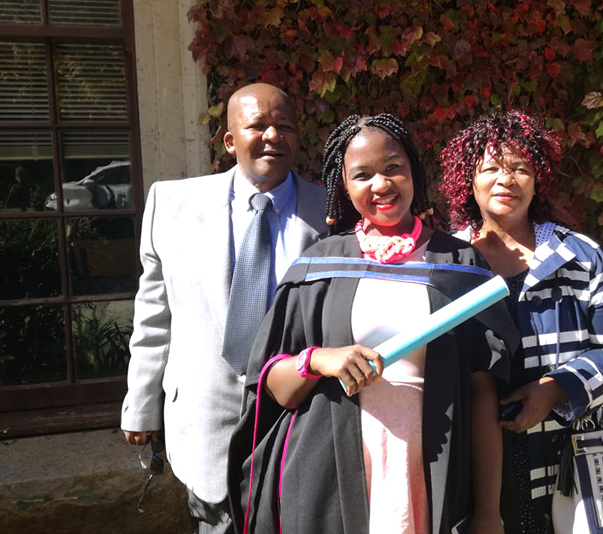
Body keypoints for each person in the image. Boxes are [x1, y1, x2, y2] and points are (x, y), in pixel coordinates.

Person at [228, 114, 519, 534]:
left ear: (413, 172)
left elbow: (482, 393)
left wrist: (489, 511)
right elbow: (271, 384)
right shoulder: (320, 265)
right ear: (343, 186)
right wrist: (318, 360)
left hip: (431, 466)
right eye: (362, 175)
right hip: (331, 472)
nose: (380, 184)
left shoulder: (459, 264)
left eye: (392, 168)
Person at [120, 83, 327, 534]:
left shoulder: (333, 210)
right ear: (230, 139)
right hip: (204, 420)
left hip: (301, 419)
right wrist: (141, 405)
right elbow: (155, 313)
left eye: (284, 126)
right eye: (257, 125)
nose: (272, 136)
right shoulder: (171, 205)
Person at [439, 110, 603, 534]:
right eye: (491, 167)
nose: (506, 179)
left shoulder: (580, 257)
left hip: (567, 465)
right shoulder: (447, 263)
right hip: (469, 466)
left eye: (521, 168)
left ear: (538, 180)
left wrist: (556, 390)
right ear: (469, 181)